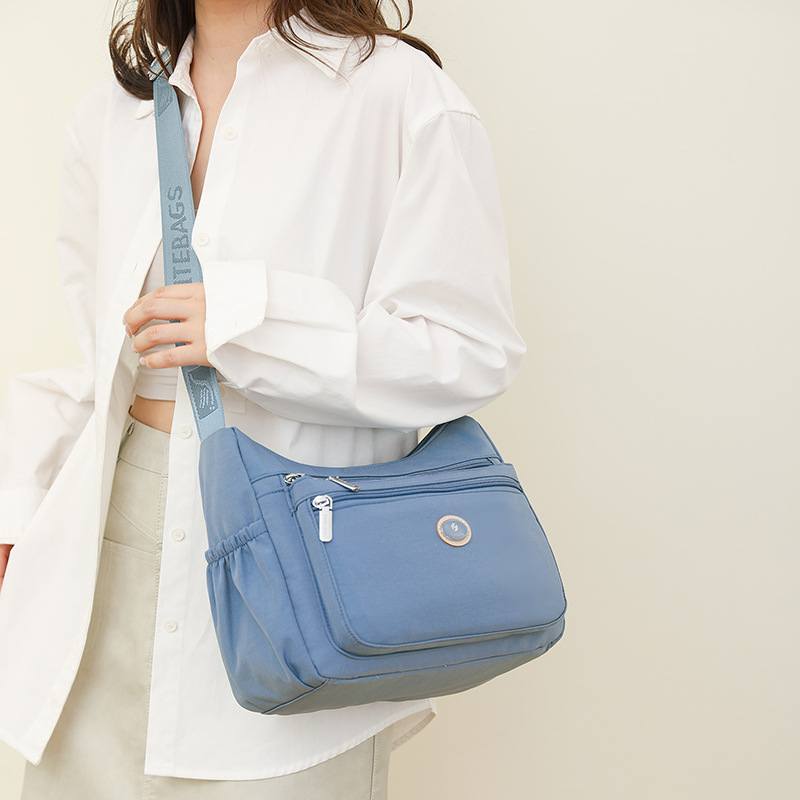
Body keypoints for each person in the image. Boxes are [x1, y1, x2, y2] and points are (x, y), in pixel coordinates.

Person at [0, 0, 527, 796]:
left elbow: (467, 349)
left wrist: (253, 322)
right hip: (106, 558)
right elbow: (101, 363)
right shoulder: (112, 114)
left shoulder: (400, 97)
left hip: (303, 559)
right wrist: (18, 506)